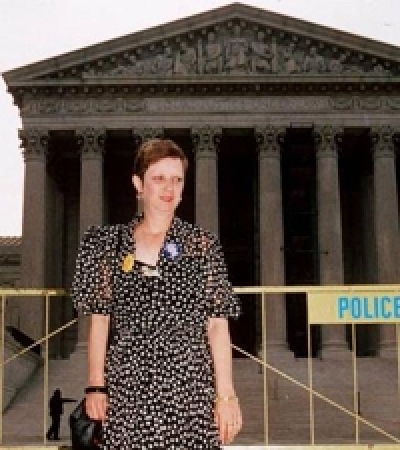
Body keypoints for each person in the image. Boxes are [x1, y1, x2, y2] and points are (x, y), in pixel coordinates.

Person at [71, 138, 242, 449]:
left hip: (189, 391)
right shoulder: (107, 245)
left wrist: (226, 395)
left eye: (177, 180)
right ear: (139, 184)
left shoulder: (202, 245)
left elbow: (217, 325)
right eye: (159, 178)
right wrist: (96, 385)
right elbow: (100, 319)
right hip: (128, 389)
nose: (169, 188)